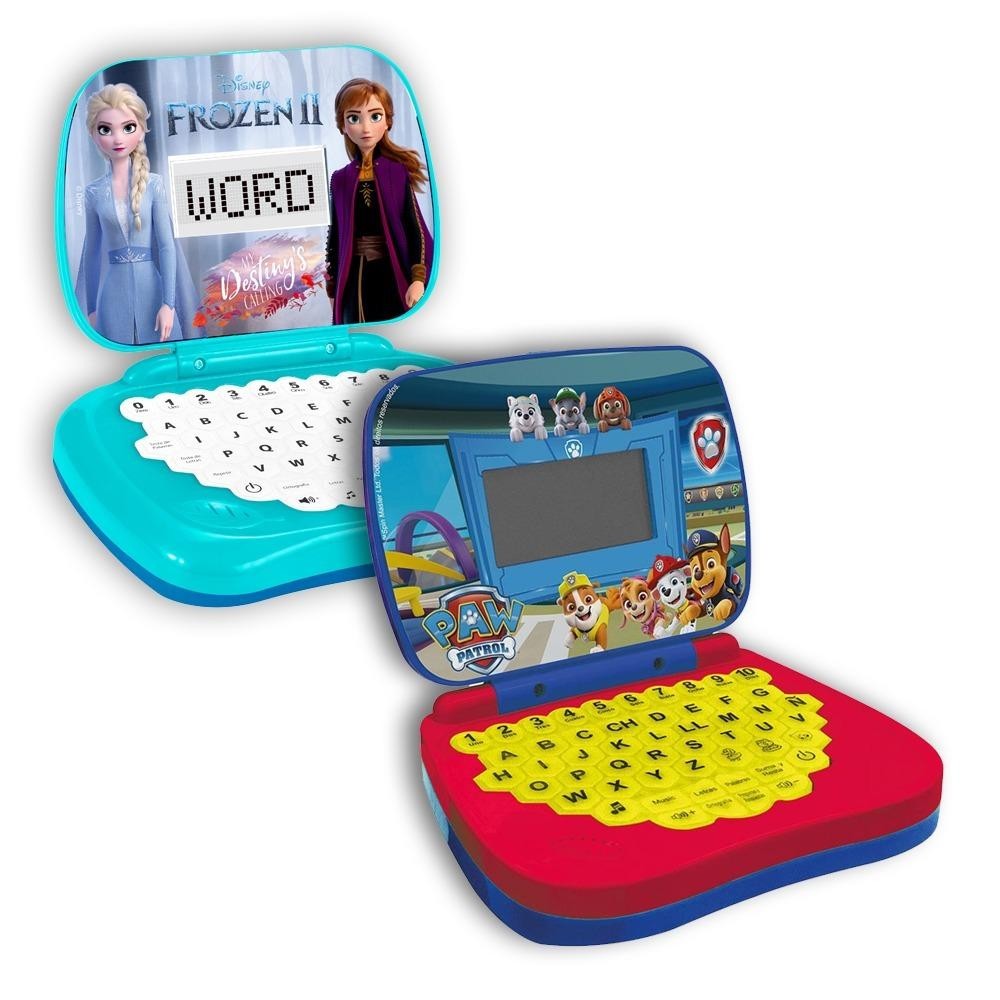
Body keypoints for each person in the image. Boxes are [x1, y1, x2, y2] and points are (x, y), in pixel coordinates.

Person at [76, 84, 196, 345]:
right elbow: (92, 253)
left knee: (162, 351)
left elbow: (166, 246)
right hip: (112, 294)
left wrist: (168, 304)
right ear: (93, 134)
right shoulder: (93, 193)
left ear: (141, 131)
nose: (118, 139)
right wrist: (92, 309)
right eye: (105, 129)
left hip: (152, 289)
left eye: (128, 127)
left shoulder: (153, 184)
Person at [326, 78, 433, 325]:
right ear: (343, 125)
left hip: (391, 272)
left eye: (375, 116)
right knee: (357, 331)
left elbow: (415, 227)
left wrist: (418, 278)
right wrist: (332, 284)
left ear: (387, 122)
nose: (366, 128)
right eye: (354, 118)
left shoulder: (396, 172)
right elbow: (335, 236)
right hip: (352, 278)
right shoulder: (340, 179)